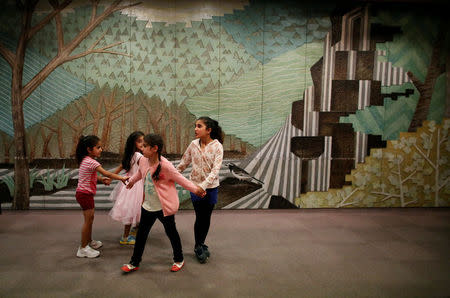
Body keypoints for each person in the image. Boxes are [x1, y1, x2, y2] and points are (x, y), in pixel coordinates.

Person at [121, 134, 206, 273]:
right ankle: (134, 262)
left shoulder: (165, 166)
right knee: (141, 235)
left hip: (163, 208)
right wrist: (131, 181)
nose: (142, 149)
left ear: (154, 148)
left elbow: (181, 180)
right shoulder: (143, 160)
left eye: (145, 146)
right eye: (141, 146)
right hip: (147, 206)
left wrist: (197, 190)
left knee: (171, 233)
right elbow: (140, 174)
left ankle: (179, 259)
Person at [177, 116, 224, 263]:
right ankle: (198, 246)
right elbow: (184, 163)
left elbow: (215, 171)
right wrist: (171, 175)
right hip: (194, 187)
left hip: (210, 188)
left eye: (199, 126)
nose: (195, 129)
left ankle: (202, 243)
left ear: (208, 130)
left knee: (206, 217)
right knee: (199, 216)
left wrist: (203, 186)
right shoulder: (193, 144)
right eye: (195, 126)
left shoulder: (217, 146)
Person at [75, 135, 128, 258]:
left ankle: (88, 242)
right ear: (89, 149)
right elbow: (107, 172)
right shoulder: (92, 162)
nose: (101, 149)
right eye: (98, 147)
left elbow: (89, 176)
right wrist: (121, 178)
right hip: (85, 194)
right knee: (88, 221)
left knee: (90, 220)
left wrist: (100, 179)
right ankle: (83, 248)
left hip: (84, 194)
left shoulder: (86, 160)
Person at [109, 131, 145, 245]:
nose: (142, 143)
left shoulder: (130, 154)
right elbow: (146, 166)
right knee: (133, 210)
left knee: (135, 210)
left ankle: (134, 230)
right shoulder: (139, 156)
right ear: (133, 143)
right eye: (139, 141)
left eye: (143, 141)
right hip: (135, 185)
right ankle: (125, 237)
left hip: (128, 184)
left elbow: (121, 166)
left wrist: (112, 177)